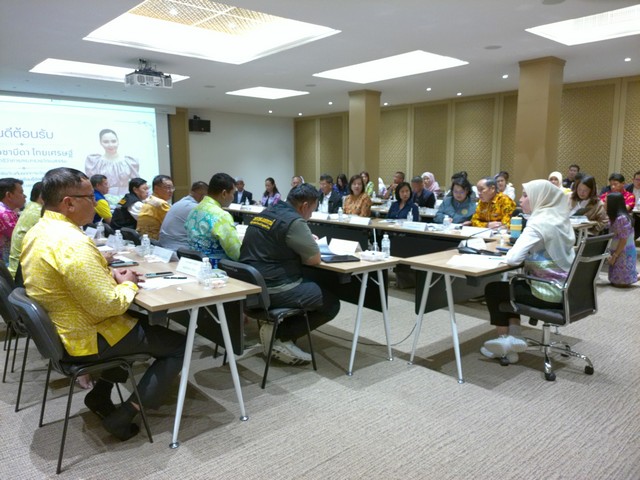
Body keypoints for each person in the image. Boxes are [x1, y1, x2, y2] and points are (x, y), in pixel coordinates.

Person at [20, 167, 184, 441]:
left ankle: (99, 395)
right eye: (89, 197)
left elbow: (72, 279)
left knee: (141, 322)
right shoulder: (72, 243)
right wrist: (128, 283)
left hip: (64, 331)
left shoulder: (40, 231)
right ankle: (126, 414)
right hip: (86, 337)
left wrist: (109, 275)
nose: (95, 203)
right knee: (180, 345)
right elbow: (109, 306)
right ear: (69, 203)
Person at [239, 183, 341, 365]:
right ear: (304, 206)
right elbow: (314, 259)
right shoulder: (295, 221)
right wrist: (309, 243)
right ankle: (280, 335)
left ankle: (277, 329)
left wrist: (305, 239)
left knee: (309, 283)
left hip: (250, 287)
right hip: (273, 288)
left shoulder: (267, 212)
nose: (311, 216)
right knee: (331, 303)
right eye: (312, 210)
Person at [482, 179, 575, 363]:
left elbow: (513, 259)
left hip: (547, 292)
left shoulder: (538, 223)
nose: (520, 200)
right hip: (568, 289)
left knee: (494, 289)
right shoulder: (560, 218)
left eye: (526, 196)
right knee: (511, 287)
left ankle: (505, 344)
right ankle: (514, 338)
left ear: (540, 198)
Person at [185, 173, 241, 265]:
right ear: (224, 193)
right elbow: (235, 253)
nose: (233, 198)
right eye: (233, 193)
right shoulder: (221, 216)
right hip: (216, 268)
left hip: (194, 264)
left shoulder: (194, 210)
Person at [85, 129, 139, 198]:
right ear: (100, 143)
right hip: (102, 198)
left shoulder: (129, 161)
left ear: (118, 141)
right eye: (106, 142)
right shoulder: (95, 161)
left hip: (126, 199)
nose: (110, 145)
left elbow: (137, 183)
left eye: (113, 141)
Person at [158, 181, 208, 251]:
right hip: (178, 249)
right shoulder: (194, 208)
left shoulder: (179, 202)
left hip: (163, 245)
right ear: (203, 197)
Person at [8, 181, 43, 278]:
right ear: (42, 196)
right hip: (23, 274)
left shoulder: (31, 207)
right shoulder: (40, 213)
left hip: (17, 269)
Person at [605, 192, 637, 287]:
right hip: (616, 249)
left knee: (620, 284)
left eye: (606, 202)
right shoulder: (613, 217)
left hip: (624, 251)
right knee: (614, 280)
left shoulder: (621, 218)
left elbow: (623, 240)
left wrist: (615, 256)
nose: (604, 204)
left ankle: (636, 276)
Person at [136, 175, 174, 240]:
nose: (171, 191)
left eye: (172, 188)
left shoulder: (149, 200)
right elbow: (173, 225)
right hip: (156, 241)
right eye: (168, 188)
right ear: (156, 188)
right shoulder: (160, 203)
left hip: (144, 240)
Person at [0, 177, 26, 265]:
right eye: (21, 192)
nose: (25, 196)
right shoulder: (5, 213)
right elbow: (21, 239)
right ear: (9, 195)